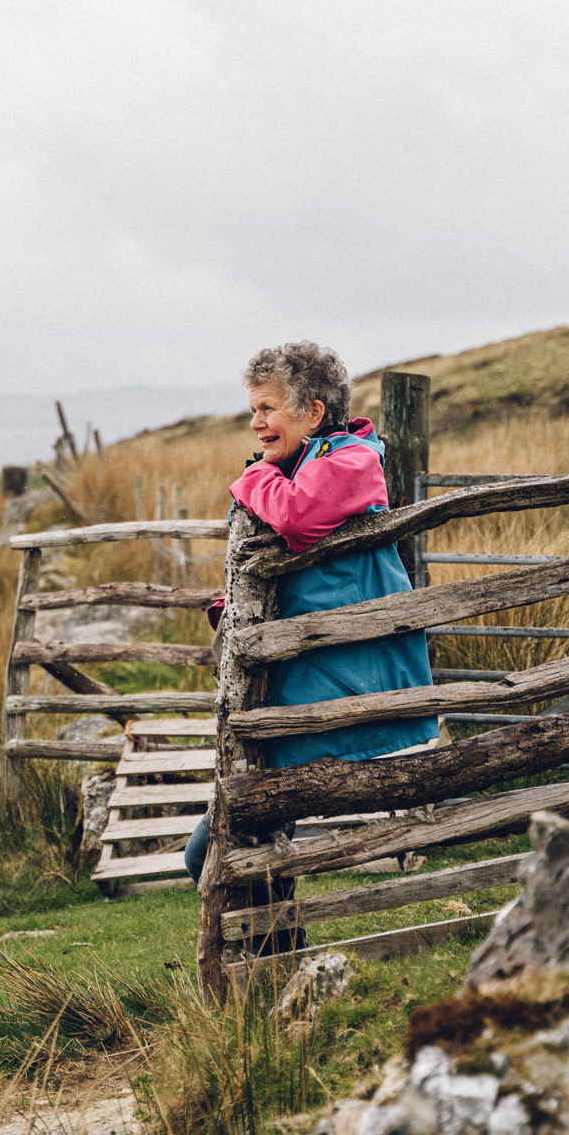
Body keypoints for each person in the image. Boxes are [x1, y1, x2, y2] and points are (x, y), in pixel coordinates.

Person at [184, 341, 438, 881]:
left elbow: (298, 517)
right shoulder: (303, 462)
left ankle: (273, 953)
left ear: (313, 411)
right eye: (253, 409)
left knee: (217, 850)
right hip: (298, 687)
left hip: (340, 684)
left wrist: (253, 477)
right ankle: (275, 954)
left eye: (267, 407)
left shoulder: (350, 461)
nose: (256, 422)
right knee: (238, 848)